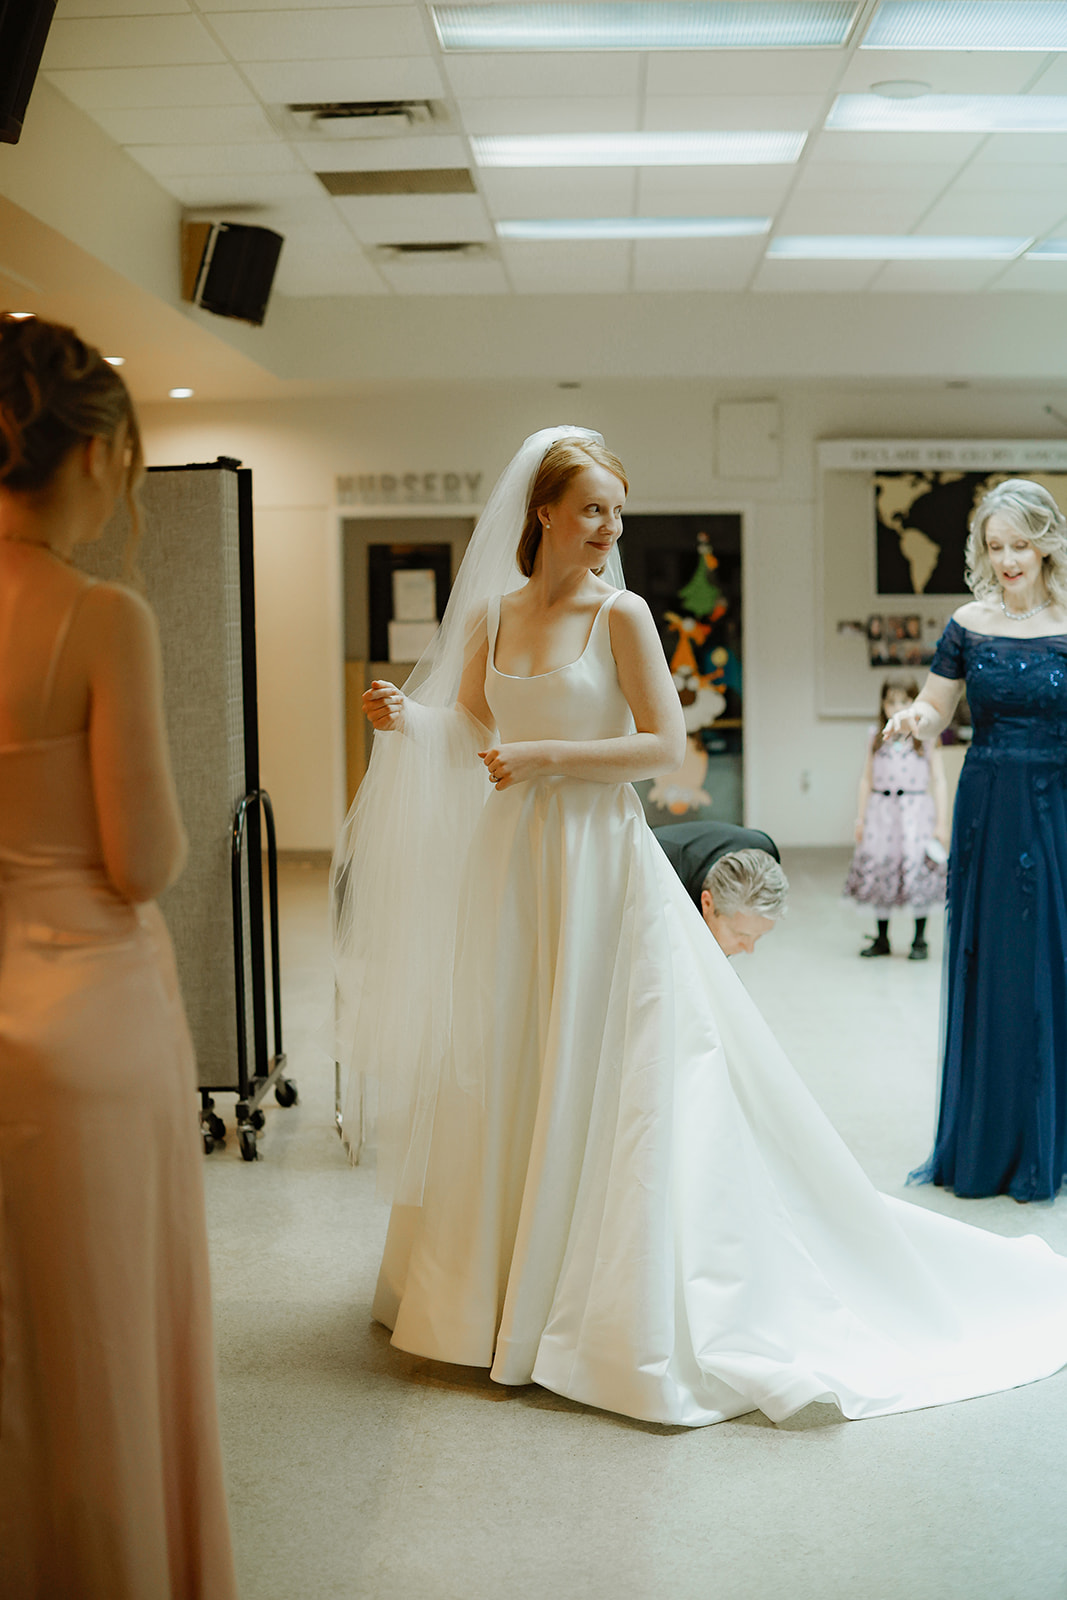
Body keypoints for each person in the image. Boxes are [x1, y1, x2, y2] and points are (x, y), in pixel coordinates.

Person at [333, 429, 1067, 1430]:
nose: (607, 529)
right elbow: (467, 727)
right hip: (513, 862)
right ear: (541, 510)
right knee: (509, 1054)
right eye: (591, 508)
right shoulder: (496, 618)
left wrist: (546, 752)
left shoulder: (623, 612)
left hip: (595, 857)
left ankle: (594, 1298)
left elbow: (658, 745)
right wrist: (402, 722)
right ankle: (488, 1293)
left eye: (616, 513)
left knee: (604, 1062)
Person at [0, 315, 238, 1597]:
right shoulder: (99, 617)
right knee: (100, 1342)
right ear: (94, 455)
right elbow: (141, 860)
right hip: (85, 1020)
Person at [887, 478, 1067, 1201]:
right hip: (989, 802)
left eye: (1018, 545)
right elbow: (937, 705)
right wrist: (913, 722)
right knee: (994, 962)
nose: (1006, 560)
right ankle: (991, 1134)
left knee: (1053, 959)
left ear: (1045, 543)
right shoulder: (967, 622)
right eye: (994, 548)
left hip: (1057, 802)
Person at [844, 678, 949, 961]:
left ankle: (919, 938)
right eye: (891, 701)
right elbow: (866, 779)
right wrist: (861, 818)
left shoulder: (926, 738)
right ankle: (882, 937)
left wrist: (942, 823)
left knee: (917, 868)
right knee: (881, 868)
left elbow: (938, 780)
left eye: (904, 701)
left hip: (915, 813)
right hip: (882, 812)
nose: (896, 707)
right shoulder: (876, 737)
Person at [652, 819, 787, 954]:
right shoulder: (657, 875)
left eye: (759, 935)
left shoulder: (764, 854)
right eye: (742, 935)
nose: (749, 949)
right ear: (707, 903)